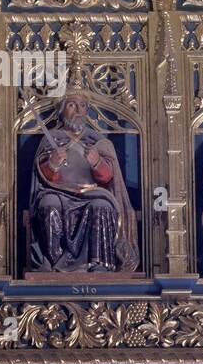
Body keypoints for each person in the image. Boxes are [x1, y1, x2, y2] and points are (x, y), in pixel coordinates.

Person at [28, 90, 138, 273]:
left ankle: (99, 263)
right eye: (72, 105)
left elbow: (109, 176)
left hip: (91, 193)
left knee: (102, 205)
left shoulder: (97, 140)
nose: (78, 110)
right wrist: (53, 164)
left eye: (83, 106)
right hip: (58, 192)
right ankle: (52, 263)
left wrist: (96, 162)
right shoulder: (52, 139)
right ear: (62, 111)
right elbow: (44, 176)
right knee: (48, 204)